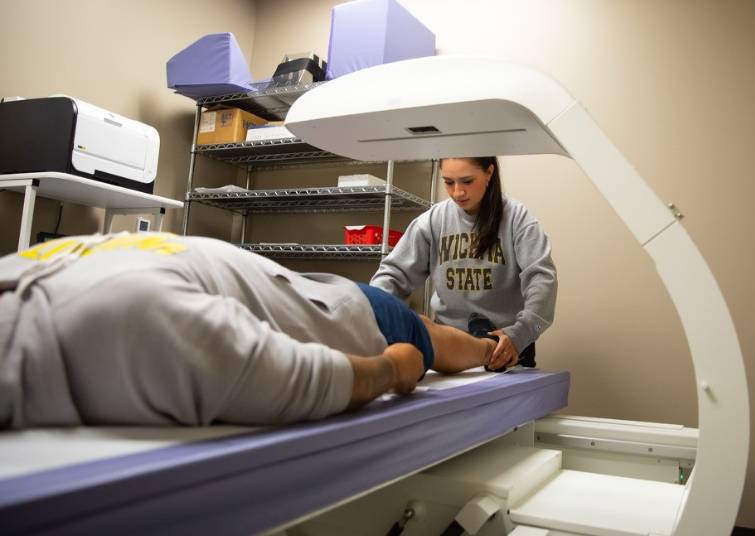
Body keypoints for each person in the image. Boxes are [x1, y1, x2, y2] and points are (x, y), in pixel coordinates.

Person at [0, 232, 498, 429]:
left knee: (430, 340)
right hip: (311, 298)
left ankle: (492, 347)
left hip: (338, 307)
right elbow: (305, 376)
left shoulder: (132, 319)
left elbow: (311, 379)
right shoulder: (17, 273)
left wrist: (398, 366)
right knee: (423, 328)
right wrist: (395, 364)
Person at [371, 157, 557, 371]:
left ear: (489, 173)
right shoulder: (432, 220)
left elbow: (542, 280)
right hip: (449, 346)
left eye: (467, 181)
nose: (458, 192)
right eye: (449, 182)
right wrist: (374, 316)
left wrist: (521, 333)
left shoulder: (518, 219)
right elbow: (393, 275)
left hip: (505, 348)